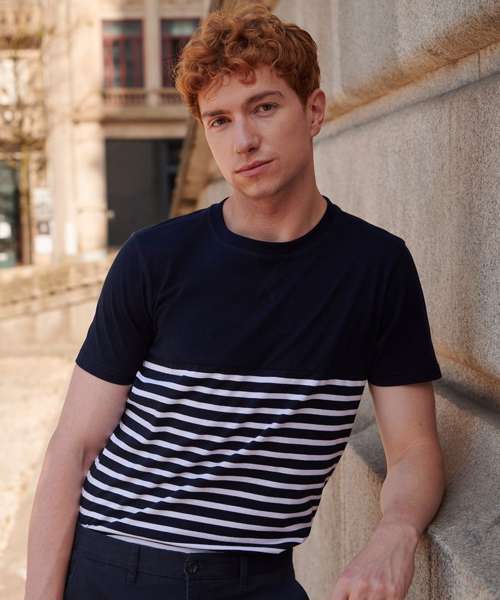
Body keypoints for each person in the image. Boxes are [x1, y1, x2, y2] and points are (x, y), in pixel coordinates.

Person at [24, 3, 445, 600]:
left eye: (264, 107)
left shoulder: (377, 267)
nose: (243, 140)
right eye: (219, 120)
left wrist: (395, 533)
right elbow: (75, 447)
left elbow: (414, 450)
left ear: (314, 111)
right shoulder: (155, 258)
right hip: (118, 569)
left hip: (258, 580)